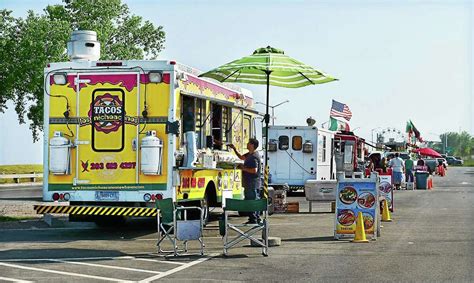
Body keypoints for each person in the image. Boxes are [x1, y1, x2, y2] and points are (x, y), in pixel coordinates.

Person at [228, 139, 261, 224]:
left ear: (252, 145)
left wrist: (243, 168)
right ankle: (254, 218)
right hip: (249, 183)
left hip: (252, 183)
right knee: (251, 200)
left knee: (252, 201)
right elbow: (241, 157)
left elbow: (254, 170)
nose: (247, 144)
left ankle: (254, 219)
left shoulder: (254, 156)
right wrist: (234, 149)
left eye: (248, 143)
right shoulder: (249, 154)